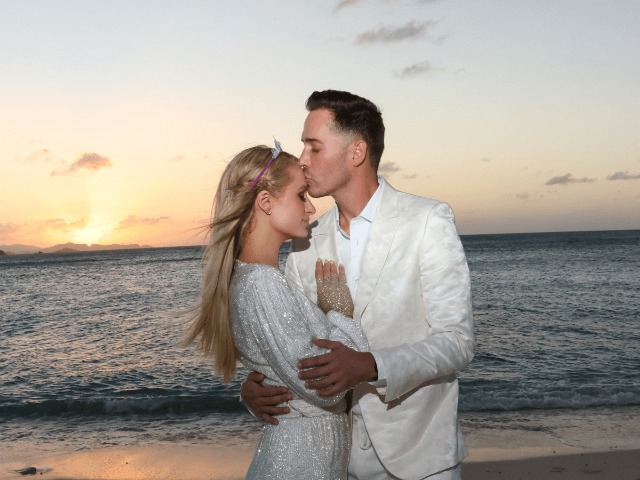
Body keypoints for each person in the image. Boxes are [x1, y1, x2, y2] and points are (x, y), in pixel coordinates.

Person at [241, 90, 475, 480]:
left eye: (314, 147)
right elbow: (295, 343)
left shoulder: (427, 220)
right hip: (337, 458)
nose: (302, 159)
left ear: (357, 152)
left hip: (420, 459)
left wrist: (370, 365)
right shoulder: (306, 241)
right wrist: (254, 388)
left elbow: (457, 341)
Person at [184, 144, 369, 479]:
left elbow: (289, 369)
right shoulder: (262, 284)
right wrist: (339, 313)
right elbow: (326, 387)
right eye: (301, 195)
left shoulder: (258, 280)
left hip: (305, 457)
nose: (311, 207)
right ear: (266, 202)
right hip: (298, 461)